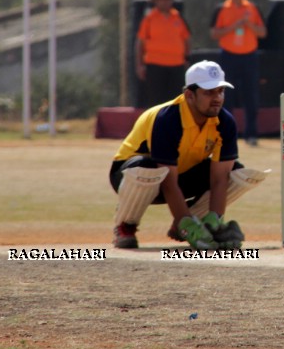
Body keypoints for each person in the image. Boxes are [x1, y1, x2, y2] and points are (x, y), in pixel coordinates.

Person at [109, 60, 261, 249]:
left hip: (179, 175)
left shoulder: (225, 122)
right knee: (147, 168)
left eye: (220, 91)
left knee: (235, 172)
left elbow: (219, 179)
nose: (217, 98)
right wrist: (185, 222)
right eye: (208, 92)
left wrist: (215, 219)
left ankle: (199, 223)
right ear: (189, 95)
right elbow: (167, 180)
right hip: (130, 175)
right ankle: (126, 226)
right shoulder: (168, 118)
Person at [209, 0, 267, 145]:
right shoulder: (221, 9)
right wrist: (234, 26)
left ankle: (251, 134)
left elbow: (262, 32)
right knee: (227, 95)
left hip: (249, 56)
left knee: (251, 95)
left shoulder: (253, 8)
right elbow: (214, 34)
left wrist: (248, 24)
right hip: (228, 55)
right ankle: (226, 134)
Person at [135, 0, 191, 109]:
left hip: (177, 64)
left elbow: (186, 39)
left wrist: (187, 58)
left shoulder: (178, 17)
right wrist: (139, 65)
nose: (165, 2)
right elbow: (140, 43)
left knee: (176, 100)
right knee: (156, 101)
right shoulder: (149, 19)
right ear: (155, 1)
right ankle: (157, 126)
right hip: (155, 65)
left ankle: (175, 127)